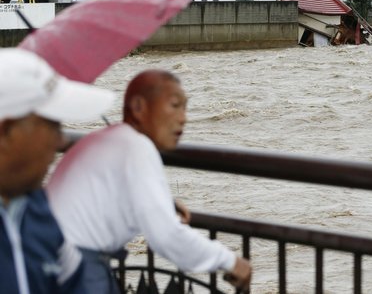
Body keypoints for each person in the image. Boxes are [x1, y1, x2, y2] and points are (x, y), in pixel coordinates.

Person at [47, 69, 252, 294]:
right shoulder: (137, 147)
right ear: (138, 107)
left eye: (185, 107)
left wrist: (163, 201)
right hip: (76, 271)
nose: (184, 117)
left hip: (49, 261)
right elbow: (167, 236)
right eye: (175, 105)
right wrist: (231, 261)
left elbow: (107, 194)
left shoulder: (104, 140)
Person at [0, 48, 115, 294]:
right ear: (6, 132)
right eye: (53, 124)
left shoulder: (36, 208)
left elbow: (77, 285)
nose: (61, 141)